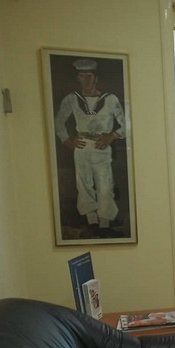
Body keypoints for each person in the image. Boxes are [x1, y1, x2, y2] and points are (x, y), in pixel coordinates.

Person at [54, 58, 126, 237]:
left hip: (102, 147)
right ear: (77, 78)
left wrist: (112, 136)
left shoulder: (110, 99)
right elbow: (58, 122)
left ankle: (105, 223)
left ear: (96, 78)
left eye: (89, 76)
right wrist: (67, 140)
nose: (85, 80)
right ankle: (92, 222)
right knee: (84, 184)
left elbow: (126, 125)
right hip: (82, 146)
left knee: (105, 185)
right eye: (81, 76)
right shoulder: (72, 99)